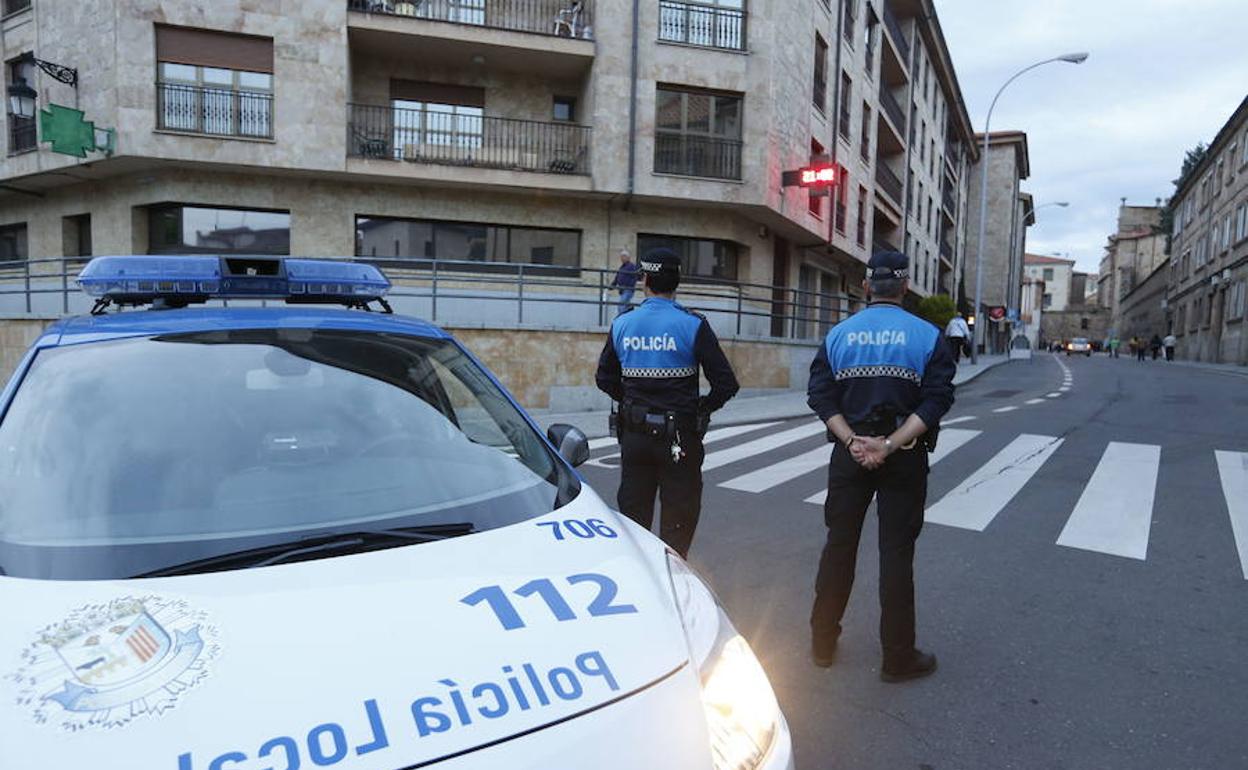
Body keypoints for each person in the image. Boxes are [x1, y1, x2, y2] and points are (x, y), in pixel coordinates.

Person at [806, 251, 955, 683]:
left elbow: (820, 395)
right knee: (896, 555)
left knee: (839, 547)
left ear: (868, 286)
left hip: (848, 456)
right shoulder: (927, 335)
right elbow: (938, 399)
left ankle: (822, 644)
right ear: (905, 287)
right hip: (902, 457)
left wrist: (853, 441)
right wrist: (888, 444)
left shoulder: (839, 335)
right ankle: (897, 657)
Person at [595, 248, 739, 557]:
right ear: (677, 282)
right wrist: (700, 408)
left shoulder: (623, 324)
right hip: (679, 439)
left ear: (644, 279)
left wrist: (631, 401)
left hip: (634, 437)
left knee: (635, 529)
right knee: (677, 529)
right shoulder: (693, 325)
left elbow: (604, 378)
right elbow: (726, 383)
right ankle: (674, 583)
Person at [609, 248, 641, 316]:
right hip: (622, 290)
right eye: (621, 257)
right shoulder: (622, 267)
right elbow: (617, 277)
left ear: (627, 257)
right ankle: (630, 311)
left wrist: (629, 286)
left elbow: (635, 277)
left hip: (627, 289)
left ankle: (621, 320)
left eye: (623, 257)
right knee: (625, 306)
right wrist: (612, 285)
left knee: (621, 306)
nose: (621, 259)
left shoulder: (631, 266)